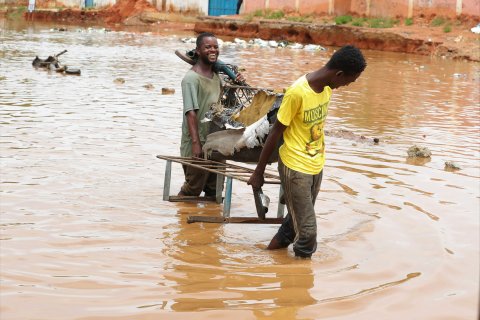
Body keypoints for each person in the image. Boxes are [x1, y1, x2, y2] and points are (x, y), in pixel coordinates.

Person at [248, 45, 367, 258]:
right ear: (338, 74)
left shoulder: (327, 89)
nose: (347, 85)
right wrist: (259, 172)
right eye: (349, 81)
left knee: (295, 223)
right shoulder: (297, 92)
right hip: (295, 167)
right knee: (308, 232)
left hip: (315, 164)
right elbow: (275, 132)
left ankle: (267, 258)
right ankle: (298, 283)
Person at [179, 32, 244, 197]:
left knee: (215, 191)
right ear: (198, 51)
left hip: (216, 143)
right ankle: (180, 218)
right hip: (197, 143)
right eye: (208, 47)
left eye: (216, 47)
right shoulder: (191, 79)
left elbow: (224, 107)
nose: (213, 50)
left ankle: (211, 222)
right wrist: (196, 144)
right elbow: (191, 112)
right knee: (192, 190)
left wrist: (235, 83)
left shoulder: (216, 77)